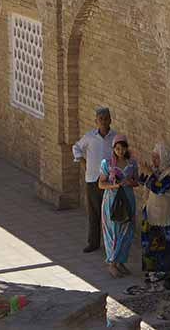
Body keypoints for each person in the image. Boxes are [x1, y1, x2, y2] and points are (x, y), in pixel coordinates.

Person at [72, 107, 117, 253]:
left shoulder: (114, 137)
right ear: (96, 121)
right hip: (92, 179)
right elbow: (77, 147)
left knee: (110, 213)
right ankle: (93, 242)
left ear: (110, 120)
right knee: (94, 212)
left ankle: (110, 243)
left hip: (109, 181)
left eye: (106, 118)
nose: (103, 121)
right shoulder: (90, 137)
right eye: (101, 119)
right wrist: (82, 161)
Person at [139, 143, 170, 289]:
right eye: (153, 157)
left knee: (165, 244)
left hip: (164, 216)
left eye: (156, 158)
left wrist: (150, 174)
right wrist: (144, 171)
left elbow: (159, 188)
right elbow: (142, 181)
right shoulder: (158, 170)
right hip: (151, 213)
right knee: (150, 243)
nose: (154, 161)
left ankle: (166, 272)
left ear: (164, 158)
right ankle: (153, 271)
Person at [99, 134, 138, 277]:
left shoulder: (132, 164)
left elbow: (136, 181)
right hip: (112, 201)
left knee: (127, 231)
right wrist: (114, 184)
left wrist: (129, 182)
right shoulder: (107, 164)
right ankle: (112, 262)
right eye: (117, 148)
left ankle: (121, 261)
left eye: (123, 148)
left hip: (127, 200)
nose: (120, 151)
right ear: (114, 149)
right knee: (113, 231)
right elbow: (101, 183)